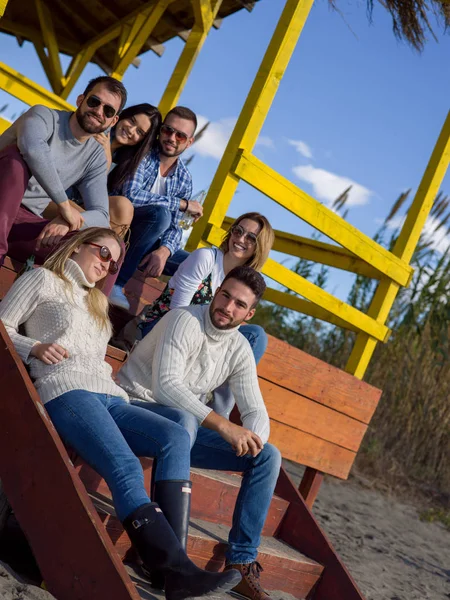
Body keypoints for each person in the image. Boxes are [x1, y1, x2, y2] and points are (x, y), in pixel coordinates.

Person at [0, 227, 241, 599]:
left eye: (115, 260)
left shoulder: (97, 302)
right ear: (78, 246)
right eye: (103, 252)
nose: (107, 263)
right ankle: (176, 571)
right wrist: (33, 347)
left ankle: (169, 565)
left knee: (176, 435)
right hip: (67, 391)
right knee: (125, 466)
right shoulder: (41, 279)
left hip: (109, 395)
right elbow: (1, 327)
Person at [117, 266, 282, 600]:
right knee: (186, 419)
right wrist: (224, 425)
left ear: (248, 314)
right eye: (225, 296)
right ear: (216, 290)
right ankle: (168, 557)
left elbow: (255, 409)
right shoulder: (184, 320)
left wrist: (254, 439)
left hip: (182, 432)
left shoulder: (239, 349)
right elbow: (166, 387)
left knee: (268, 456)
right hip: (136, 408)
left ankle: (240, 561)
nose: (227, 307)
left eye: (239, 304)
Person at [0, 76, 127, 278]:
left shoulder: (94, 156)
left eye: (108, 111)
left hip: (25, 223)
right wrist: (64, 206)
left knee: (110, 249)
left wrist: (68, 221)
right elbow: (33, 149)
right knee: (16, 160)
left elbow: (102, 215)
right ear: (80, 100)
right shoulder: (43, 116)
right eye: (94, 102)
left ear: (113, 120)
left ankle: (90, 308)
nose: (99, 111)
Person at [114, 212, 274, 367]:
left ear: (259, 246)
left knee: (256, 335)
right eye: (238, 231)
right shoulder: (206, 258)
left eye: (251, 238)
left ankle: (221, 394)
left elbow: (230, 328)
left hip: (203, 346)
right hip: (162, 328)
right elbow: (177, 313)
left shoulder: (247, 282)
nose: (240, 238)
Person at [109, 106, 204, 310]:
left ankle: (157, 317)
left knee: (196, 265)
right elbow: (131, 196)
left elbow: (176, 227)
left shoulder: (184, 178)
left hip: (147, 244)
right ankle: (116, 283)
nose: (171, 138)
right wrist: (182, 204)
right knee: (160, 216)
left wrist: (164, 251)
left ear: (189, 142)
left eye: (180, 136)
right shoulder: (142, 154)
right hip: (120, 225)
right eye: (168, 130)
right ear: (161, 130)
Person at [42, 103, 162, 239]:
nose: (131, 130)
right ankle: (105, 242)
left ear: (143, 141)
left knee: (124, 206)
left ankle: (105, 250)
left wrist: (108, 160)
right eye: (132, 121)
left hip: (81, 205)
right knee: (101, 231)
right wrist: (102, 161)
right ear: (121, 117)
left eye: (139, 132)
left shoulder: (125, 162)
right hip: (55, 195)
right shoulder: (97, 131)